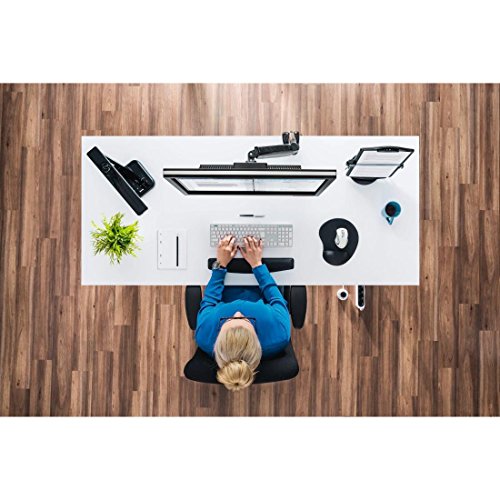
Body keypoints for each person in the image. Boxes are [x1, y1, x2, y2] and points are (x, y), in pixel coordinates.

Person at [195, 235, 291, 391]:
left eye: (229, 319)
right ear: (257, 339)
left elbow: (210, 300)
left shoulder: (204, 336)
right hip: (261, 280)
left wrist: (220, 265)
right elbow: (276, 299)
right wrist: (257, 265)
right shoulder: (279, 334)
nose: (238, 313)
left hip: (227, 280)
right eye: (246, 320)